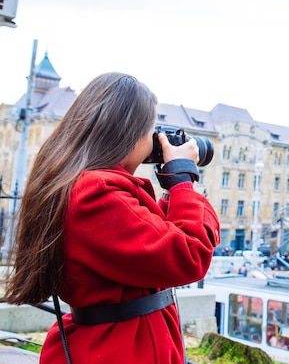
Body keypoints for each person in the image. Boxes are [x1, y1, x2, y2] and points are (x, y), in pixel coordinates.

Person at [2, 73, 221, 363]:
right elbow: (189, 254)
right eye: (150, 129)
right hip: (121, 348)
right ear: (127, 134)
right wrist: (183, 181)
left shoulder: (82, 185)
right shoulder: (96, 193)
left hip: (115, 343)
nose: (155, 138)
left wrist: (173, 187)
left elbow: (153, 240)